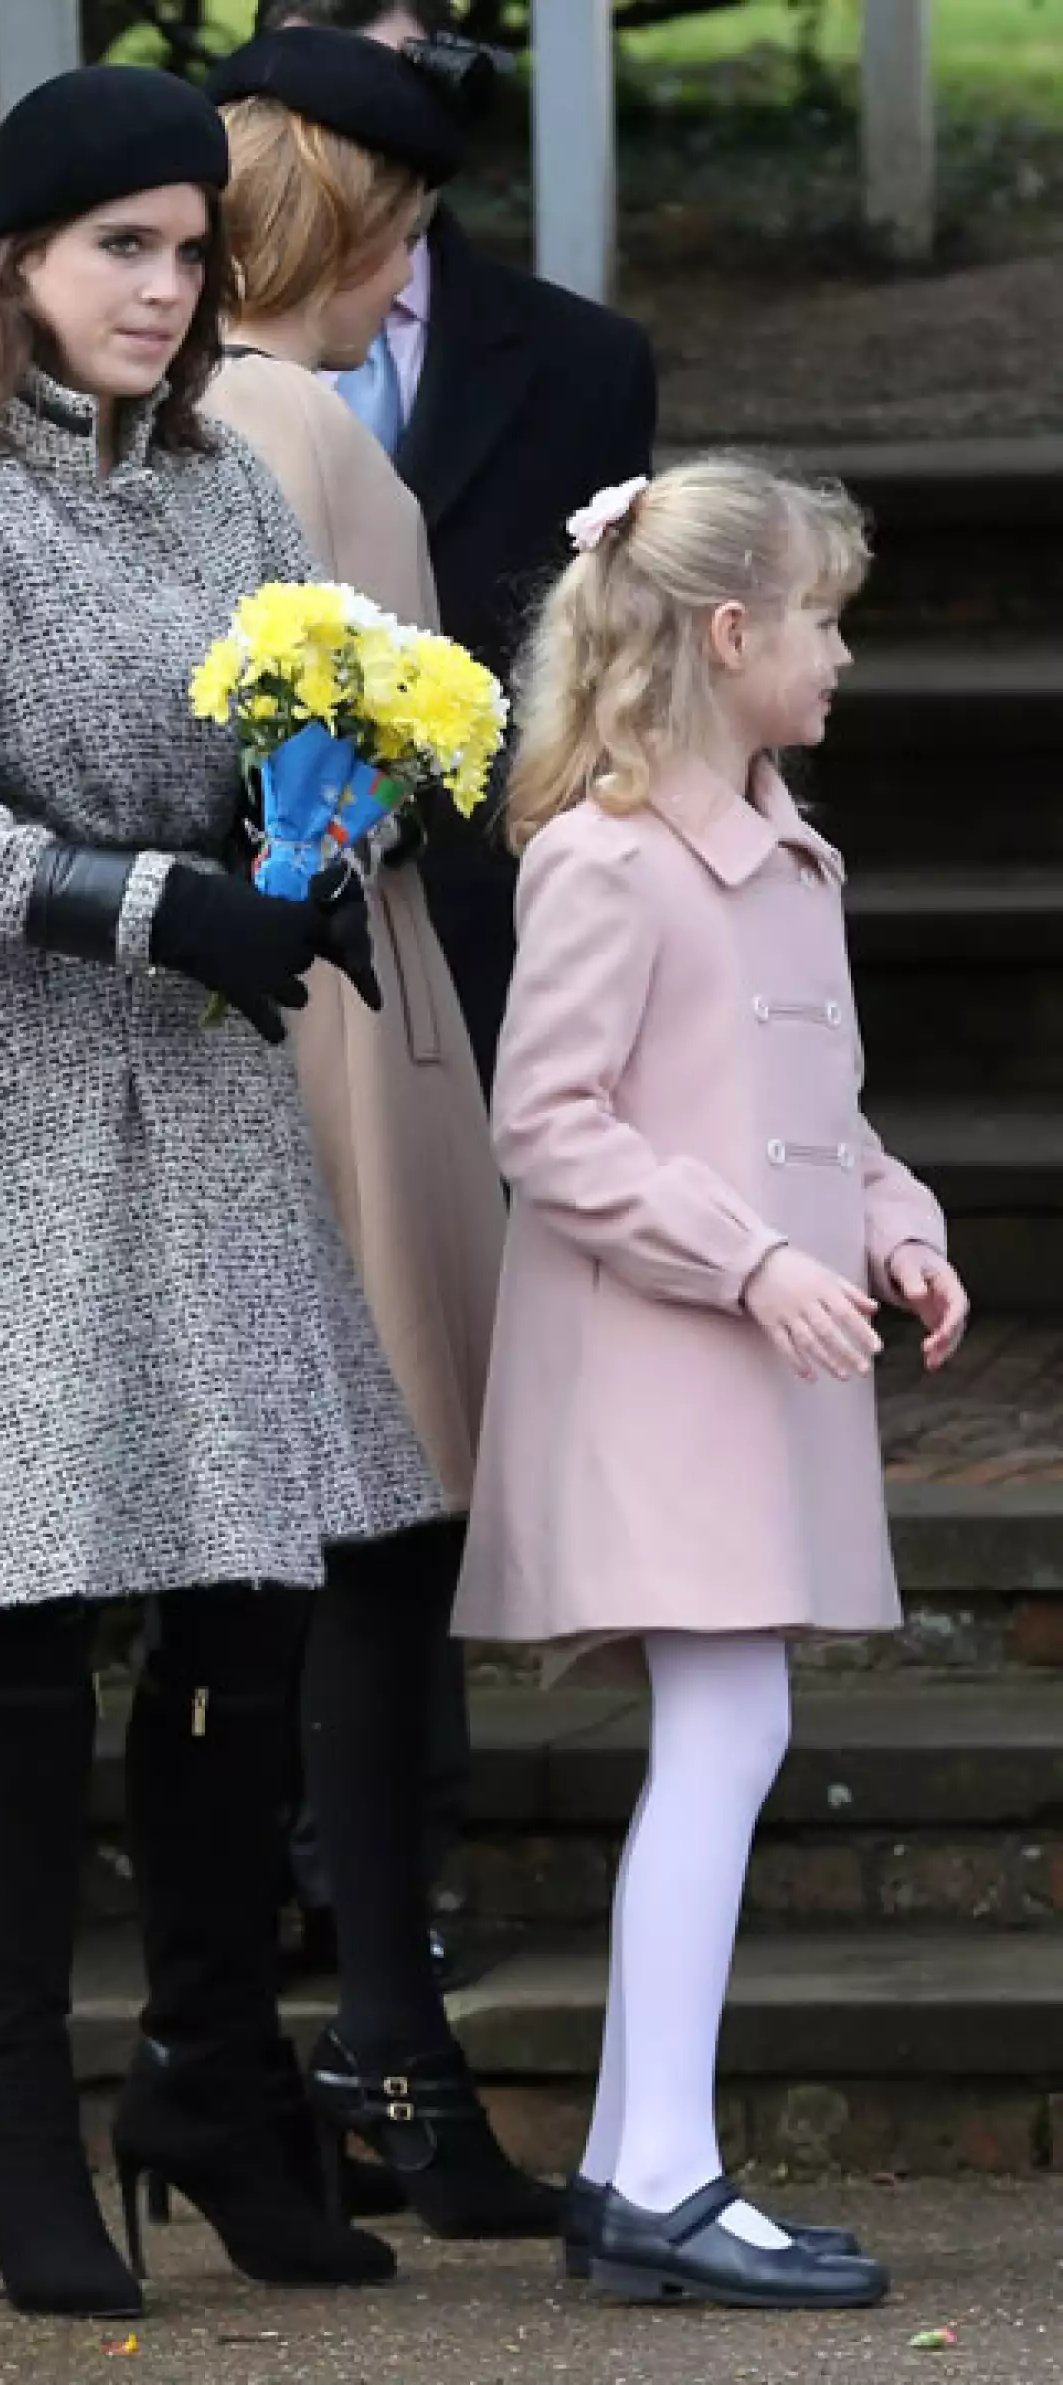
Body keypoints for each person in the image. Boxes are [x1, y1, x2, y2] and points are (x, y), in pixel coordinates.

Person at [0, 63, 469, 2324]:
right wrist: (146, 903)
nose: (168, 294)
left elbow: (295, 723)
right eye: (124, 252)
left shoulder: (213, 489)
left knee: (241, 1596)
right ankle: (13, 2115)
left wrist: (332, 815)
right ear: (18, 261)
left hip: (189, 1101)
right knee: (11, 1614)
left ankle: (209, 2073)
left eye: (192, 254)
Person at [455, 456, 972, 2309]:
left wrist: (892, 1218)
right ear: (733, 635)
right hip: (667, 1363)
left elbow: (812, 1111)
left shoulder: (778, 848)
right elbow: (552, 1124)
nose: (842, 658)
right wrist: (752, 1259)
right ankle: (662, 2168)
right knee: (729, 1735)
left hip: (752, 1356)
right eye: (825, 622)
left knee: (730, 1735)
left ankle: (622, 2166)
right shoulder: (611, 857)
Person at [201, 26, 557, 2243]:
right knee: (371, 1546)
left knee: (310, 1557)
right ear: (353, 229)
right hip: (351, 1011)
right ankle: (379, 2063)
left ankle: (325, 2056)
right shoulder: (304, 422)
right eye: (397, 226)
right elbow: (417, 748)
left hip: (261, 1008)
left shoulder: (157, 425)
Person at [258, 0, 658, 1094]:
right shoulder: (155, 353)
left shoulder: (586, 367)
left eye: (386, 90)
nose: (354, 130)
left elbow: (607, 671)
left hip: (485, 937)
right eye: (318, 97)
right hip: (222, 946)